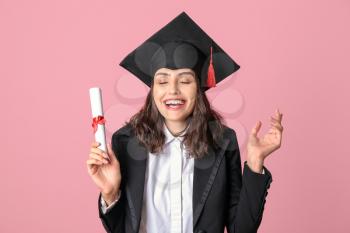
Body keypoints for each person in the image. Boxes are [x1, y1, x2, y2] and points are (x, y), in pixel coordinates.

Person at [87, 12, 283, 233]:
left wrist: (255, 163)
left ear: (198, 88)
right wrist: (111, 193)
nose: (172, 90)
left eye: (184, 80)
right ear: (153, 90)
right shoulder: (126, 141)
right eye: (162, 81)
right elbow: (120, 228)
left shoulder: (222, 141)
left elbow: (242, 229)